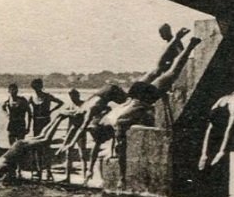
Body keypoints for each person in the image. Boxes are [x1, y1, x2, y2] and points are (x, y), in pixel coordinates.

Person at [85, 36, 202, 182]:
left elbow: (122, 154)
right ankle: (176, 38)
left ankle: (191, 45)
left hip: (145, 98)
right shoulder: (106, 119)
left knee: (172, 73)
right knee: (156, 68)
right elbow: (101, 144)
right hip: (133, 93)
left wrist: (122, 177)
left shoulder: (119, 126)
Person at [63, 89, 88, 183]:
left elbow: (86, 112)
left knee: (83, 154)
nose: (72, 98)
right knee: (68, 153)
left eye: (74, 95)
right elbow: (62, 112)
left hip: (81, 131)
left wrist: (77, 112)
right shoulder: (69, 105)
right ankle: (67, 177)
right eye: (71, 96)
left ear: (78, 95)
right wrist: (71, 112)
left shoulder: (84, 104)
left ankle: (85, 178)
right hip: (70, 131)